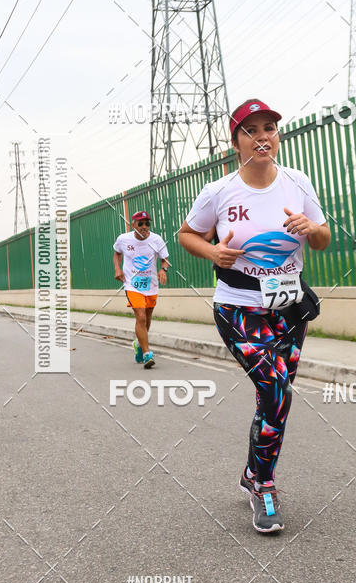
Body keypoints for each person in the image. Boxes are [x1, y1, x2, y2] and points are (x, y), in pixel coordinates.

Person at [179, 99, 331, 533]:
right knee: (275, 390)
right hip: (238, 306)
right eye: (251, 130)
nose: (263, 136)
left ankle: (252, 473)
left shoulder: (297, 183)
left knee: (276, 399)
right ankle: (263, 485)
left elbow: (322, 239)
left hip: (289, 307)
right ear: (236, 142)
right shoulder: (220, 191)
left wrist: (310, 228)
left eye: (269, 128)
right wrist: (212, 251)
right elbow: (187, 233)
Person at [113, 211, 170, 369]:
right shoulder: (123, 239)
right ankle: (147, 354)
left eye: (147, 223)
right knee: (141, 315)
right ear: (133, 224)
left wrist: (163, 270)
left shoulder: (156, 240)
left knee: (147, 317)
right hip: (132, 284)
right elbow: (117, 253)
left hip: (150, 285)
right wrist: (118, 269)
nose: (144, 227)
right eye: (141, 223)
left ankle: (139, 345)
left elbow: (165, 259)